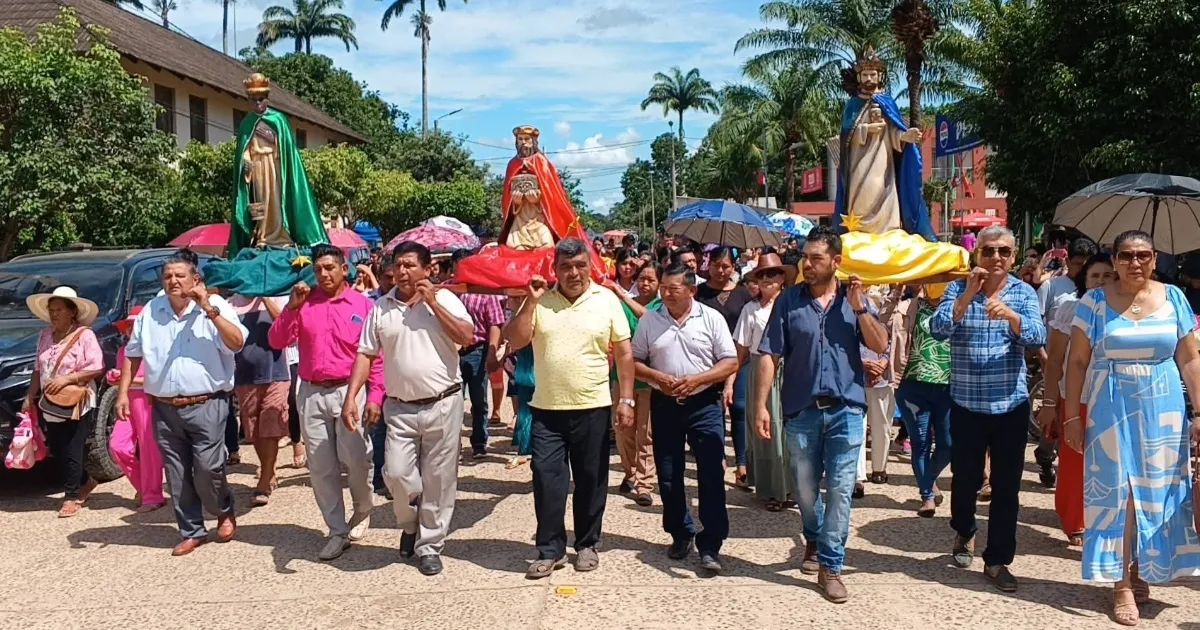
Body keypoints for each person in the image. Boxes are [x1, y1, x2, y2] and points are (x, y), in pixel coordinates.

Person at [1064, 231, 1200, 626]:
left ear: (1154, 258)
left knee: (1158, 490)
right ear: (1115, 258)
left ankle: (1144, 570)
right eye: (1126, 256)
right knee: (1118, 494)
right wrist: (1072, 415)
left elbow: (1189, 359)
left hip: (1163, 407)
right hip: (1110, 406)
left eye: (1143, 255)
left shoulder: (1174, 298)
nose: (1134, 263)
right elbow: (1076, 363)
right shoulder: (1093, 302)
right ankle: (1121, 583)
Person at [756, 227, 890, 603]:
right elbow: (769, 353)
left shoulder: (855, 300)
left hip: (847, 410)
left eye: (816, 258)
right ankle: (812, 537)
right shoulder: (788, 302)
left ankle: (831, 566)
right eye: (805, 257)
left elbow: (880, 345)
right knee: (804, 489)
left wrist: (861, 305)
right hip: (801, 411)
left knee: (842, 491)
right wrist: (762, 405)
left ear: (836, 262)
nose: (807, 264)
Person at [503, 238, 635, 580]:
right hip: (546, 409)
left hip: (592, 407)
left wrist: (627, 399)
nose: (573, 273)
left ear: (590, 265)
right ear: (555, 269)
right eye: (565, 267)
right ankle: (550, 549)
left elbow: (623, 353)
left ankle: (588, 544)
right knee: (547, 479)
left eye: (579, 265)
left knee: (591, 480)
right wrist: (530, 304)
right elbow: (515, 340)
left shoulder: (606, 301)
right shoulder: (540, 299)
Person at [346, 241, 475, 576]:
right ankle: (409, 523)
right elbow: (365, 353)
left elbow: (466, 336)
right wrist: (352, 396)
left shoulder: (445, 299)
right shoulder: (381, 307)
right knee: (397, 474)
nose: (402, 272)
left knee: (439, 479)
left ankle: (429, 545)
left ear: (428, 269)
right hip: (399, 407)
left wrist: (433, 301)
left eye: (409, 265)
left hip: (443, 402)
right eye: (397, 266)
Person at [930, 225, 1046, 593]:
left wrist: (1012, 317)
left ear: (1013, 256)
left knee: (1007, 487)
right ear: (976, 254)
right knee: (964, 481)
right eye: (989, 251)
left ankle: (998, 559)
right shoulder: (956, 290)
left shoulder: (1023, 292)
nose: (996, 258)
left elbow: (1037, 335)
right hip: (966, 403)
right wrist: (966, 297)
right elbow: (937, 330)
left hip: (1009, 405)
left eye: (1004, 252)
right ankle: (964, 530)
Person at [117, 252, 248, 556]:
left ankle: (223, 510)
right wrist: (123, 393)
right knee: (176, 472)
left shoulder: (216, 307)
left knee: (208, 468)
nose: (173, 281)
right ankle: (192, 531)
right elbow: (133, 353)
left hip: (207, 402)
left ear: (195, 279)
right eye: (168, 276)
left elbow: (237, 342)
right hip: (164, 405)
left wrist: (209, 309)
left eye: (180, 276)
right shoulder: (152, 310)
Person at [268, 244, 383, 561]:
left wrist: (375, 395)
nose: (324, 274)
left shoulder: (362, 304)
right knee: (320, 466)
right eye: (318, 269)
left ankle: (362, 508)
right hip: (311, 391)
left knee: (357, 458)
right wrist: (291, 307)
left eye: (330, 268)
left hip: (350, 390)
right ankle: (335, 530)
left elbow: (375, 356)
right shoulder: (304, 304)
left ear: (344, 269)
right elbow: (277, 341)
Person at [633, 263, 738, 571]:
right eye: (663, 288)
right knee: (668, 474)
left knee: (710, 473)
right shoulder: (650, 320)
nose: (665, 293)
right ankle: (680, 533)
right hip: (664, 403)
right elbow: (635, 360)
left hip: (704, 404)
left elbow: (730, 361)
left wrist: (700, 379)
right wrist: (657, 377)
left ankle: (711, 543)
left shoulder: (711, 318)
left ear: (692, 290)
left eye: (673, 289)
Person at [1038, 254, 1114, 546]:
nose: (1100, 281)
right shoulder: (1071, 308)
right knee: (1075, 462)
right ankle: (1076, 522)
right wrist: (1048, 403)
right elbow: (1055, 359)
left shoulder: (1127, 312)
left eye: (1108, 276)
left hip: (1113, 397)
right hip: (1076, 397)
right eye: (1095, 276)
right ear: (1084, 279)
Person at [23, 287, 105, 518]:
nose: (54, 314)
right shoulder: (45, 335)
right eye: (52, 310)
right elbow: (38, 369)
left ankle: (71, 496)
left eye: (59, 310)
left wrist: (69, 378)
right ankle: (85, 481)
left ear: (72, 312)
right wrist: (30, 396)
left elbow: (97, 366)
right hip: (50, 401)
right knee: (57, 448)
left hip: (77, 400)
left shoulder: (84, 335)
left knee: (72, 447)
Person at [883, 284, 951, 516]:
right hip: (912, 386)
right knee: (920, 442)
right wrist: (896, 291)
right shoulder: (908, 307)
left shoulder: (958, 307)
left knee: (948, 444)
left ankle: (928, 478)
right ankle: (927, 496)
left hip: (949, 387)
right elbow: (883, 321)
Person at [734, 254, 792, 511]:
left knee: (789, 430)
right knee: (765, 429)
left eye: (773, 274)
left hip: (790, 369)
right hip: (760, 369)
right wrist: (729, 381)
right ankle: (771, 489)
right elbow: (741, 350)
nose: (767, 279)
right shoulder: (750, 309)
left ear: (782, 278)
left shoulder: (792, 306)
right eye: (762, 275)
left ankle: (791, 485)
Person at [696, 247, 754, 488]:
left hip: (740, 360)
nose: (721, 270)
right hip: (708, 361)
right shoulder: (699, 293)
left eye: (726, 266)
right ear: (709, 265)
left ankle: (742, 464)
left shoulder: (743, 295)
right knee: (713, 410)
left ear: (733, 267)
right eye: (717, 265)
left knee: (739, 408)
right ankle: (717, 458)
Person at [607, 260, 663, 507]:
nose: (646, 283)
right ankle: (630, 472)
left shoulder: (661, 306)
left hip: (650, 376)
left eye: (651, 279)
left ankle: (645, 482)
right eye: (642, 279)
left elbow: (647, 318)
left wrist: (622, 294)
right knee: (622, 428)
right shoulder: (620, 306)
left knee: (646, 432)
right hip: (622, 375)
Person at [229, 293, 290, 506]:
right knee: (255, 430)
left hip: (277, 371)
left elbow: (285, 325)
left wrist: (265, 298)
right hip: (245, 375)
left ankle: (264, 481)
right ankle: (268, 469)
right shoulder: (231, 303)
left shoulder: (278, 297)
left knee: (271, 422)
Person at [107, 306, 166, 513]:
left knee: (150, 449)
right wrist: (116, 379)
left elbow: (158, 379)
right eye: (128, 326)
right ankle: (144, 487)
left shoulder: (155, 351)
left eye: (135, 326)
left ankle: (152, 495)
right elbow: (124, 379)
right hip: (128, 400)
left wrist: (128, 379)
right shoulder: (124, 351)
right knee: (117, 445)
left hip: (148, 400)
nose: (131, 330)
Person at [459, 290, 506, 458]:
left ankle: (479, 443)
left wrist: (492, 353)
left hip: (477, 350)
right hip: (452, 350)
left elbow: (495, 323)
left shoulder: (487, 294)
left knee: (479, 400)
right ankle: (453, 445)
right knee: (452, 401)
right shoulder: (450, 290)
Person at [858, 286, 895, 491]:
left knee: (882, 425)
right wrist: (864, 363)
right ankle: (858, 476)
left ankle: (879, 468)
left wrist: (883, 363)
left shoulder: (887, 313)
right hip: (856, 375)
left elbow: (896, 340)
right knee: (858, 428)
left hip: (882, 376)